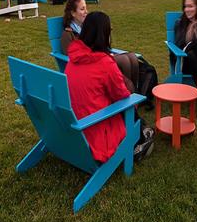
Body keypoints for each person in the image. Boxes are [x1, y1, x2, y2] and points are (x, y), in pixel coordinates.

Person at [65, 11, 154, 162]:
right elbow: (122, 96)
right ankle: (138, 140)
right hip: (97, 133)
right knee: (129, 102)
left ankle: (141, 129)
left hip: (76, 125)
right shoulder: (104, 63)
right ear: (104, 34)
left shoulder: (73, 58)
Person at [60, 0, 140, 92]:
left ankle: (134, 91)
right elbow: (72, 57)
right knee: (125, 60)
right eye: (82, 9)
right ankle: (129, 89)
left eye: (86, 8)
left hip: (97, 57)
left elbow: (98, 42)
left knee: (132, 57)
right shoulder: (68, 34)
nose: (86, 12)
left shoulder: (87, 26)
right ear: (73, 13)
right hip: (89, 64)